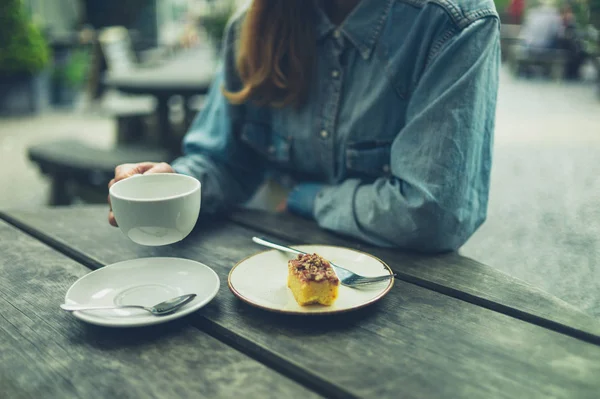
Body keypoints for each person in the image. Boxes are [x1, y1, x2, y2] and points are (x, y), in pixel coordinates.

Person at [108, 0, 501, 253]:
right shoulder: (250, 26)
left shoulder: (454, 22)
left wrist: (305, 198)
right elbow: (224, 162)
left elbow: (431, 213)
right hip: (268, 275)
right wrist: (175, 184)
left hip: (416, 286)